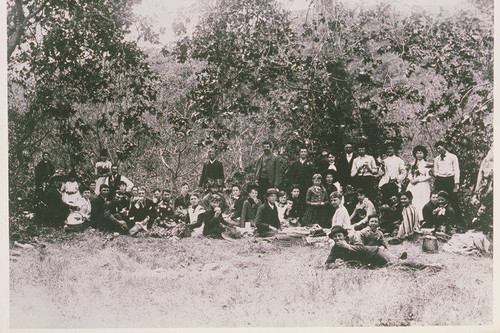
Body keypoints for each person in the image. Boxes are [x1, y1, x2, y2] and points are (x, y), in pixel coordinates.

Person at [325, 226, 441, 271]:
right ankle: (421, 269)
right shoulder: (335, 249)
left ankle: (429, 267)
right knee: (395, 269)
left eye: (339, 236)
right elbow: (328, 263)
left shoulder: (353, 240)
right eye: (335, 237)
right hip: (370, 261)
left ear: (344, 236)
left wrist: (348, 247)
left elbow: (362, 249)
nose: (337, 238)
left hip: (376, 252)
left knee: (396, 263)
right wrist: (336, 264)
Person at [433, 141, 462, 225]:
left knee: (453, 201)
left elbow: (457, 170)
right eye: (436, 149)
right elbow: (435, 171)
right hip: (440, 181)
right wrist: (436, 175)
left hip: (449, 180)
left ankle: (458, 223)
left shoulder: (453, 157)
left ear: (444, 146)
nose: (438, 150)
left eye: (439, 148)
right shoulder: (437, 159)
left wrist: (456, 184)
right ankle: (439, 222)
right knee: (440, 201)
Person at [406, 145, 432, 221]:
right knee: (413, 200)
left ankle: (422, 218)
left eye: (421, 153)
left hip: (422, 185)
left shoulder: (427, 164)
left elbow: (429, 176)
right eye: (417, 153)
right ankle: (412, 218)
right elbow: (409, 174)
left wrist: (419, 180)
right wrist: (411, 180)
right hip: (413, 185)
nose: (419, 155)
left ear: (424, 154)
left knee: (421, 201)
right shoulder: (413, 164)